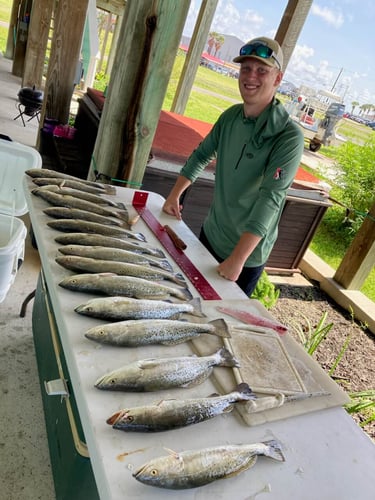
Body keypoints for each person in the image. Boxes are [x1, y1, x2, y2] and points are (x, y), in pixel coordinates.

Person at [162, 36, 304, 296]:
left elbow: (271, 199)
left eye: (262, 70)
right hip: (211, 233)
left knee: (222, 317)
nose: (251, 76)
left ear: (278, 78)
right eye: (246, 68)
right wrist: (174, 195)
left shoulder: (288, 136)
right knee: (189, 297)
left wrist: (238, 259)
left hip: (245, 256)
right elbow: (201, 154)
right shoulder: (230, 117)